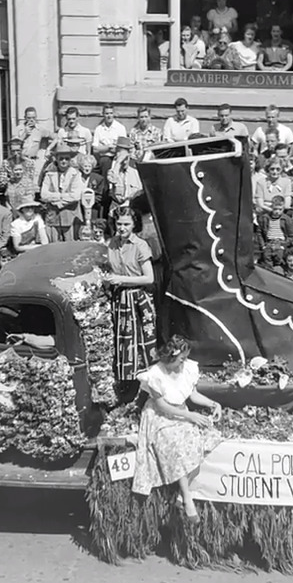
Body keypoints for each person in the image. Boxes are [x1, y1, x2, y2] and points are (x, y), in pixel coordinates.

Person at [131, 335, 223, 524]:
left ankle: (181, 497)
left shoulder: (188, 369)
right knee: (177, 444)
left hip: (180, 412)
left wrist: (214, 404)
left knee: (204, 437)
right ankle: (188, 500)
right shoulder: (155, 374)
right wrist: (189, 416)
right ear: (170, 357)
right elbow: (162, 406)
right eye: (181, 358)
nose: (184, 362)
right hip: (159, 416)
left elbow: (193, 395)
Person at [103, 208, 156, 381]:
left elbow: (149, 278)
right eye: (119, 224)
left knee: (141, 341)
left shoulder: (140, 245)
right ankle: (127, 382)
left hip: (139, 298)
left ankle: (148, 383)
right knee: (125, 342)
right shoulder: (111, 243)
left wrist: (120, 278)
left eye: (126, 224)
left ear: (134, 225)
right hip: (121, 298)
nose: (122, 228)